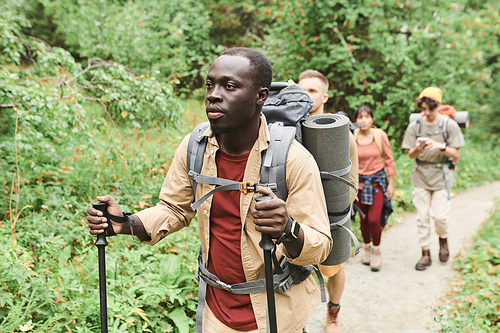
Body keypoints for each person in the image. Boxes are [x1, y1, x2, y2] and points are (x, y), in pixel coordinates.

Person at [87, 48, 332, 333]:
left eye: (229, 86)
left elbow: (320, 245)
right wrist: (126, 223)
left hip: (276, 314)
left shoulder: (292, 159)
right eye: (210, 84)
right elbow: (174, 209)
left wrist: (287, 228)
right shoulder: (195, 147)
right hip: (215, 313)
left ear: (260, 96)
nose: (213, 94)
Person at [298, 70, 358, 333]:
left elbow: (352, 179)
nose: (307, 95)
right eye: (303, 90)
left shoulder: (340, 131)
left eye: (312, 90)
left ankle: (333, 314)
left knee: (333, 266)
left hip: (332, 213)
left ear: (325, 96)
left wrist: (337, 211)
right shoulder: (287, 128)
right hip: (296, 212)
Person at [402, 87, 464, 271]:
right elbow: (410, 155)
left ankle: (443, 240)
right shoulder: (416, 125)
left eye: (430, 109)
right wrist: (418, 149)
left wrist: (440, 146)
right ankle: (425, 252)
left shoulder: (448, 125)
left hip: (441, 176)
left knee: (440, 217)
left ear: (437, 106)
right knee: (422, 217)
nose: (426, 113)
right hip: (421, 176)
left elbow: (456, 153)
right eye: (423, 109)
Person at [353, 105, 396, 272]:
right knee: (363, 220)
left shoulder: (380, 136)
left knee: (373, 219)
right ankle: (367, 249)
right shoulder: (352, 136)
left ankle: (376, 251)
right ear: (356, 120)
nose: (363, 120)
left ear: (372, 119)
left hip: (377, 184)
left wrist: (391, 183)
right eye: (360, 117)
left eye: (367, 117)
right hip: (359, 185)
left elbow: (389, 160)